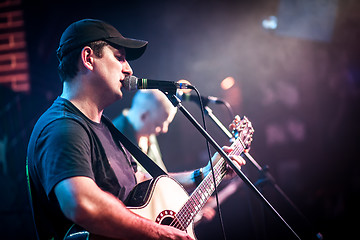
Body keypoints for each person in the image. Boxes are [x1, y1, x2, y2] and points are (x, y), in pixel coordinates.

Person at [26, 18, 246, 240]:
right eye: (119, 57)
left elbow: (143, 185)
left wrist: (203, 175)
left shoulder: (107, 128)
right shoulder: (62, 128)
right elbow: (82, 203)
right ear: (88, 58)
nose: (129, 69)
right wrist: (159, 233)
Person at [113, 89, 217, 224]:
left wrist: (189, 201)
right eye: (159, 124)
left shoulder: (146, 131)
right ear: (144, 116)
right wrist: (199, 176)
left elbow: (162, 179)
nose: (164, 129)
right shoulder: (114, 137)